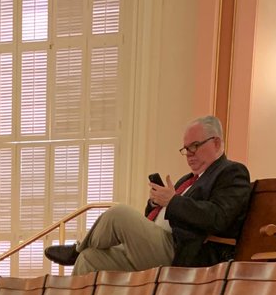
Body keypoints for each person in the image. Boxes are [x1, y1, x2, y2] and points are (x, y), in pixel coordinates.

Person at [45, 116, 251, 274]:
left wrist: (172, 201)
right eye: (186, 148)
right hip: (156, 247)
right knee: (90, 258)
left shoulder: (231, 172)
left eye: (195, 146)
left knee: (119, 214)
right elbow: (160, 215)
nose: (189, 153)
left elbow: (219, 217)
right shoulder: (186, 180)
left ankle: (77, 249)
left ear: (215, 143)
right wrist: (156, 203)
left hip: (183, 253)